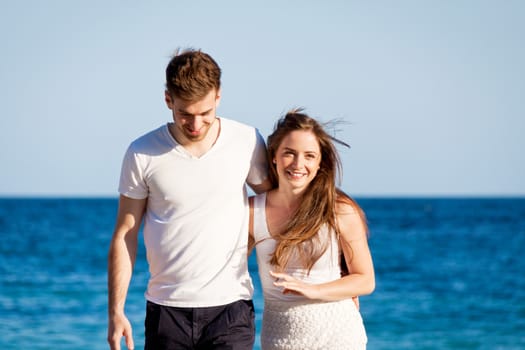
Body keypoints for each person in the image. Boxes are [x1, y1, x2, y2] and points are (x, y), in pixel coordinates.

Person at [107, 48, 271, 350]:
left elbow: (277, 206)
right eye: (185, 114)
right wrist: (115, 311)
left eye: (205, 114)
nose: (195, 125)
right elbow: (125, 233)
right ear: (168, 99)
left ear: (218, 97)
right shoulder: (142, 152)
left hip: (230, 309)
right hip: (166, 312)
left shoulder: (247, 141)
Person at [249, 109, 375, 350]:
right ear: (274, 156)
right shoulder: (252, 211)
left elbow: (365, 280)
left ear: (319, 163)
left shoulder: (339, 209)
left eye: (309, 156)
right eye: (289, 153)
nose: (298, 164)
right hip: (279, 338)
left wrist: (312, 290)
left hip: (338, 334)